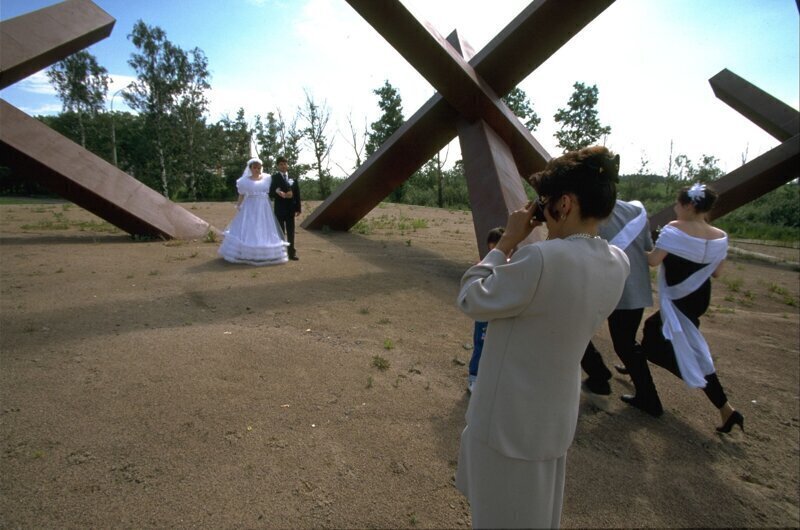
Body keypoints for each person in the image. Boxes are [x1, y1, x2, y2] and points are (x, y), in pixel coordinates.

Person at [455, 146, 630, 528]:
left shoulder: (540, 260)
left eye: (544, 200)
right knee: (534, 515)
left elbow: (470, 296)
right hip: (552, 418)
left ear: (564, 204)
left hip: (507, 420)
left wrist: (506, 243)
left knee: (498, 515)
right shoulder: (619, 262)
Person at [623, 183, 744, 433]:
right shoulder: (719, 235)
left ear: (689, 205)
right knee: (653, 329)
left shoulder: (674, 229)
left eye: (678, 204)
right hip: (698, 300)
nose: (675, 209)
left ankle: (722, 404)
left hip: (679, 300)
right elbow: (719, 273)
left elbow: (654, 261)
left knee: (684, 352)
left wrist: (635, 246)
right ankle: (635, 362)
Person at [581, 199, 654, 396]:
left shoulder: (585, 208)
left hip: (601, 285)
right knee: (626, 344)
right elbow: (648, 246)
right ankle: (648, 397)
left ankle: (599, 376)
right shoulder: (638, 212)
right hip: (634, 287)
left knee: (573, 328)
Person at [218, 158, 289, 266]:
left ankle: (264, 253)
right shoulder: (244, 181)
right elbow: (241, 194)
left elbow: (275, 188)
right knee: (250, 227)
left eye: (259, 167)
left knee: (264, 228)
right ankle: (246, 253)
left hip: (264, 207)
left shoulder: (267, 178)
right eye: (255, 167)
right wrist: (238, 205)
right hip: (250, 206)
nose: (257, 169)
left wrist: (280, 192)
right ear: (250, 168)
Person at [467, 227, 505, 394]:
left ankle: (489, 379)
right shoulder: (483, 266)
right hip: (485, 316)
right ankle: (474, 377)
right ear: (491, 246)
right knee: (480, 346)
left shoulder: (511, 264)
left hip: (500, 315)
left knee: (497, 348)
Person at [270, 157, 301, 261]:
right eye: (281, 164)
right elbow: (270, 192)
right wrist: (278, 193)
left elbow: (297, 194)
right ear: (278, 166)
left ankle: (292, 253)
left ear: (287, 165)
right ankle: (281, 253)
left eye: (285, 164)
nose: (283, 166)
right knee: (280, 232)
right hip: (279, 209)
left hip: (291, 209)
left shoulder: (293, 178)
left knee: (291, 232)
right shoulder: (274, 178)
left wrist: (298, 208)